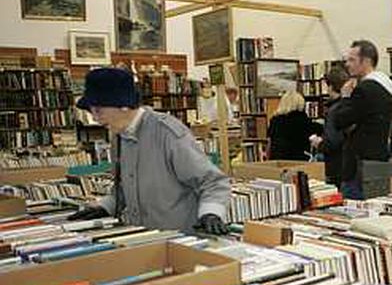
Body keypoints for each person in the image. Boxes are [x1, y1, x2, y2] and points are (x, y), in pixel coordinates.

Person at [68, 68, 231, 235]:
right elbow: (125, 188)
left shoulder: (168, 133)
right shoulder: (118, 136)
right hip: (144, 237)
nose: (95, 118)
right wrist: (106, 206)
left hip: (181, 238)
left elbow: (212, 182)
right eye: (91, 111)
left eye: (98, 110)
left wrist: (210, 213)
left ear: (123, 105)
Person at [332, 40, 392, 199]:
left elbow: (340, 121)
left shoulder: (364, 89)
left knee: (353, 209)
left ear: (366, 61)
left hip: (359, 166)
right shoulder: (386, 88)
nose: (347, 64)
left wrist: (345, 97)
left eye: (352, 60)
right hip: (379, 161)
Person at [309, 66, 351, 187]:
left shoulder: (334, 111)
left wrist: (319, 143)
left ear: (331, 87)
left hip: (336, 166)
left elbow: (332, 142)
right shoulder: (350, 105)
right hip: (351, 165)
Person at [267, 90, 322, 161]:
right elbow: (317, 129)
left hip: (277, 158)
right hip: (296, 159)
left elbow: (270, 142)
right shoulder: (301, 119)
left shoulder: (275, 120)